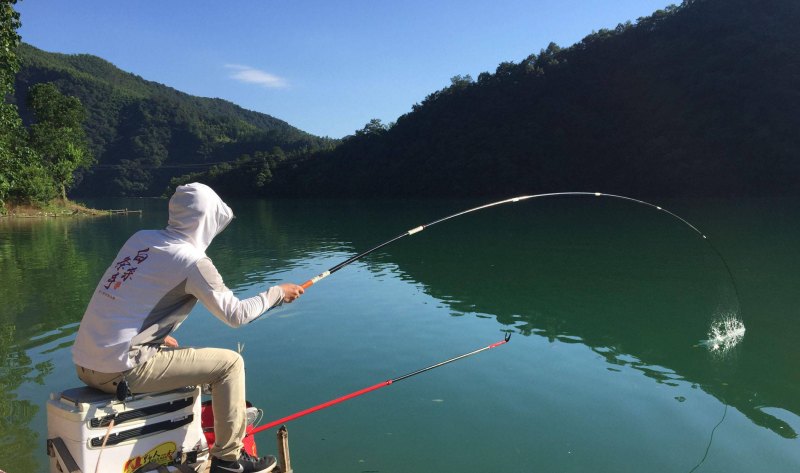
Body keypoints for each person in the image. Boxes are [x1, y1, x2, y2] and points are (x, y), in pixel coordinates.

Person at [72, 182, 303, 473]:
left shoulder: (140, 239)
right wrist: (277, 293)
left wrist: (156, 334)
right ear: (207, 220)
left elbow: (127, 297)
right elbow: (236, 315)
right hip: (121, 368)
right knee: (230, 364)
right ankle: (228, 460)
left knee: (190, 357)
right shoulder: (193, 262)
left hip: (85, 363)